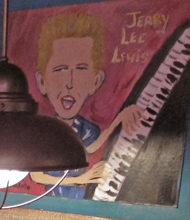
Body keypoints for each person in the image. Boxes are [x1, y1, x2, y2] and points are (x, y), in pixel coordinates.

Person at [28, 12, 145, 198]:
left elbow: (91, 148)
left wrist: (119, 119)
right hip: (54, 201)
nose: (70, 83)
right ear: (42, 82)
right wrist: (81, 180)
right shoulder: (43, 132)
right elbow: (37, 176)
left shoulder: (86, 129)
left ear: (96, 81)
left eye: (81, 69)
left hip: (77, 200)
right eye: (60, 70)